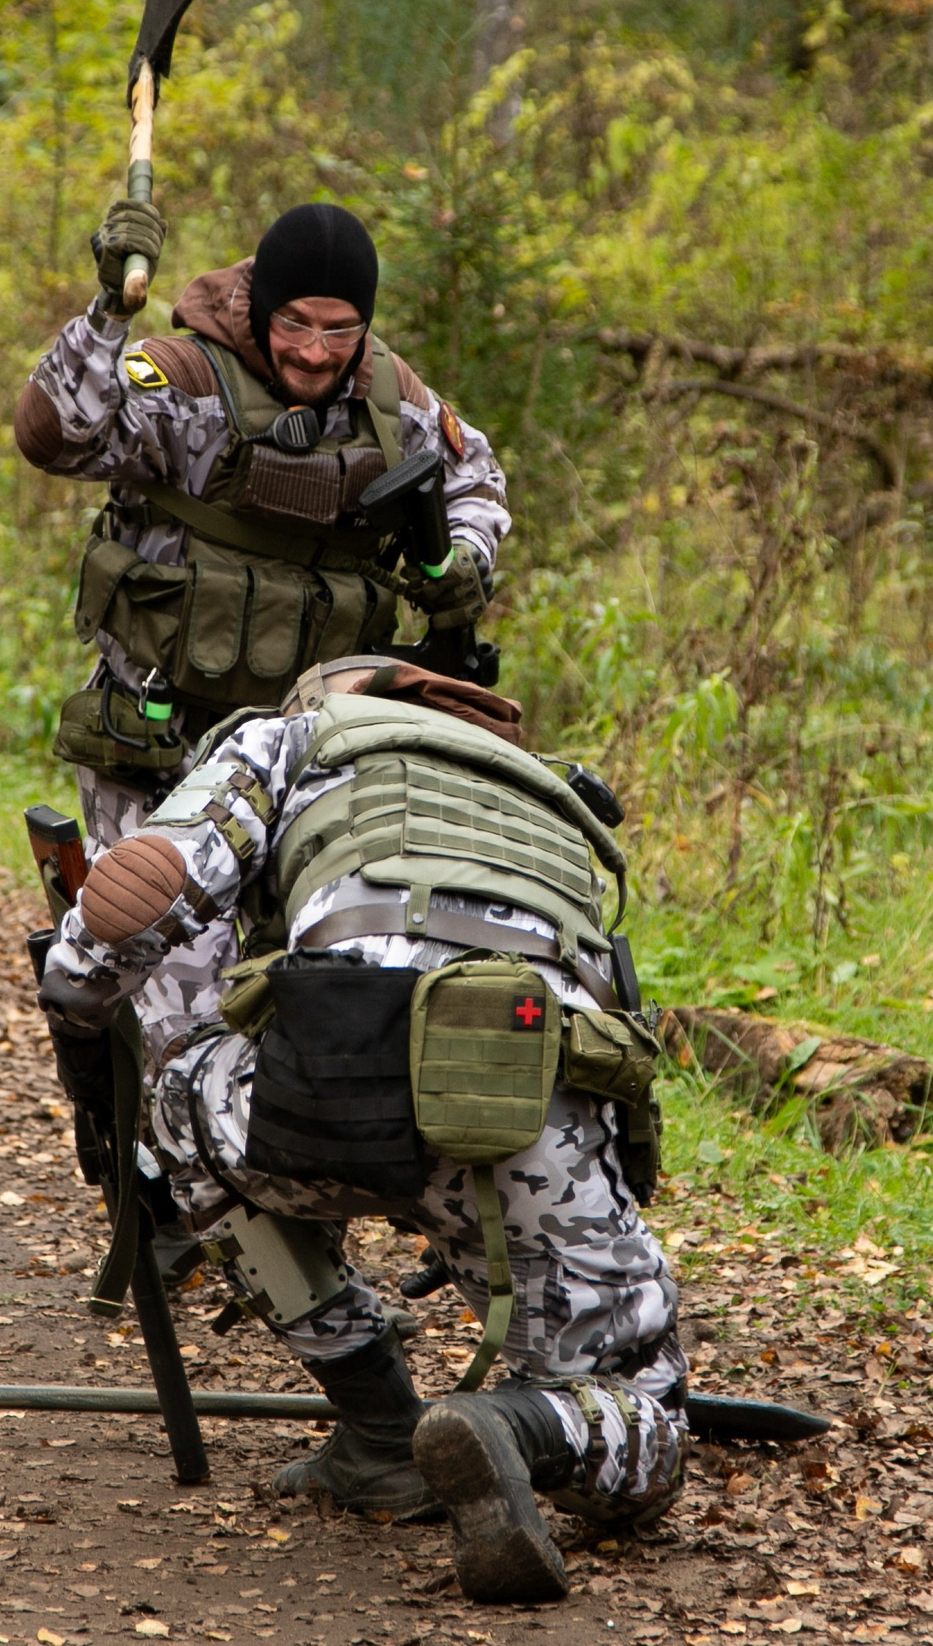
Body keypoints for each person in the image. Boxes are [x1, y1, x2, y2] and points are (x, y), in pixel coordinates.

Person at [34, 656, 683, 1604]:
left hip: (329, 1092)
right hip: (531, 1119)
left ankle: (382, 1427)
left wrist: (80, 992)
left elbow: (150, 881)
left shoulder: (297, 737)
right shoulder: (556, 796)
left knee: (180, 1093)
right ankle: (517, 1425)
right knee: (649, 1413)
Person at [14, 200, 509, 1064]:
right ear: (260, 306)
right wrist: (107, 315)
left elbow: (477, 476)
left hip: (309, 757)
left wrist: (465, 554)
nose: (316, 352)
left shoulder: (392, 404)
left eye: (341, 329)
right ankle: (133, 1111)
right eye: (296, 324)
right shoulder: (184, 383)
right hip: (162, 748)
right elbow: (55, 435)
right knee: (183, 1018)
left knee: (331, 997)